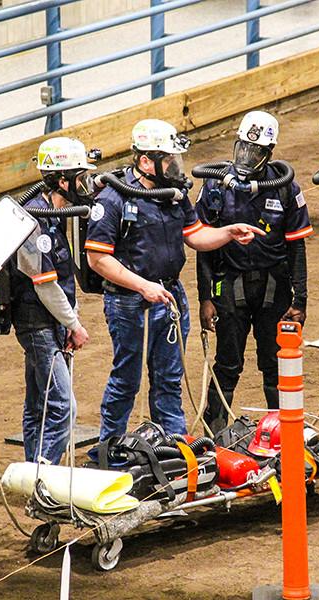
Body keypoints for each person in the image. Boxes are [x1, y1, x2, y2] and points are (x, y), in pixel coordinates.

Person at [85, 118, 264, 446]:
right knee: (126, 380)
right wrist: (142, 286)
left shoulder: (174, 194)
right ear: (145, 161)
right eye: (168, 159)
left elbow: (194, 235)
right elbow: (97, 259)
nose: (174, 166)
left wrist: (227, 232)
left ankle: (175, 449)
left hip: (168, 297)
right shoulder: (113, 199)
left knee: (169, 379)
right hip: (130, 303)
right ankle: (109, 452)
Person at [196, 111, 313, 433]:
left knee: (274, 363)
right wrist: (206, 299)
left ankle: (283, 433)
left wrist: (300, 299)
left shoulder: (286, 188)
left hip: (274, 286)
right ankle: (213, 433)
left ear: (269, 153)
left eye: (255, 151)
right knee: (228, 363)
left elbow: (297, 247)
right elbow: (202, 248)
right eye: (242, 149)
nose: (246, 158)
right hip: (229, 284)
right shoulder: (215, 187)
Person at [9, 137, 92, 464]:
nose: (85, 185)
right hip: (38, 325)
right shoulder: (34, 221)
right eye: (80, 177)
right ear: (62, 180)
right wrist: (74, 324)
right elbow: (44, 285)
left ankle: (34, 470)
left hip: (48, 323)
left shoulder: (54, 216)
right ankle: (44, 476)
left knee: (39, 405)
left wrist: (68, 322)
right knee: (62, 407)